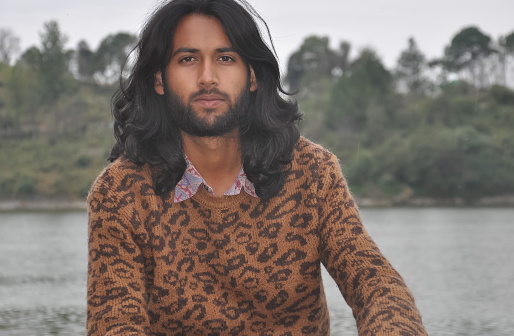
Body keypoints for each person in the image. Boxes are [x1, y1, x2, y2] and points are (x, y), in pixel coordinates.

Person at [87, 0, 428, 335]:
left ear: (252, 76)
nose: (208, 77)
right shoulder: (121, 193)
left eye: (226, 58)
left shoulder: (311, 172)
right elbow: (114, 323)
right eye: (188, 59)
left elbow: (375, 284)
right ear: (159, 80)